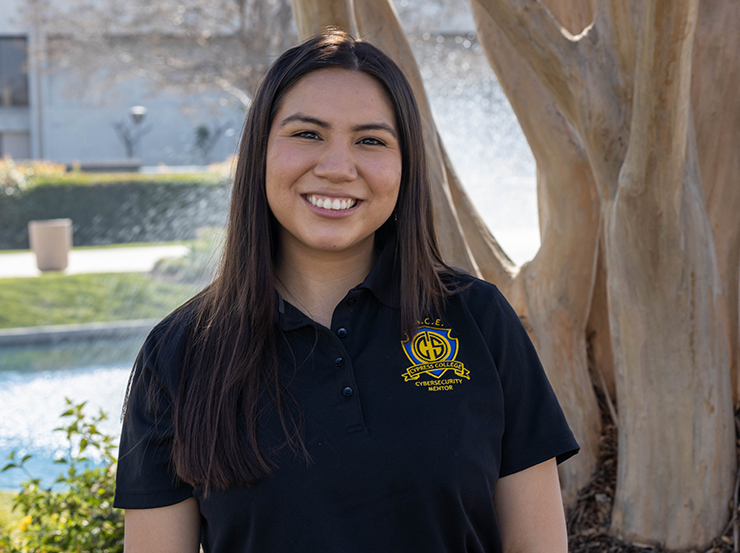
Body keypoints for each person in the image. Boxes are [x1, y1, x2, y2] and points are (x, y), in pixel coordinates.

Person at [115, 29, 579, 553]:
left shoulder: (479, 320)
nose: (337, 168)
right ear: (259, 153)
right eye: (308, 134)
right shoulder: (179, 352)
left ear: (406, 167)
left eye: (371, 141)